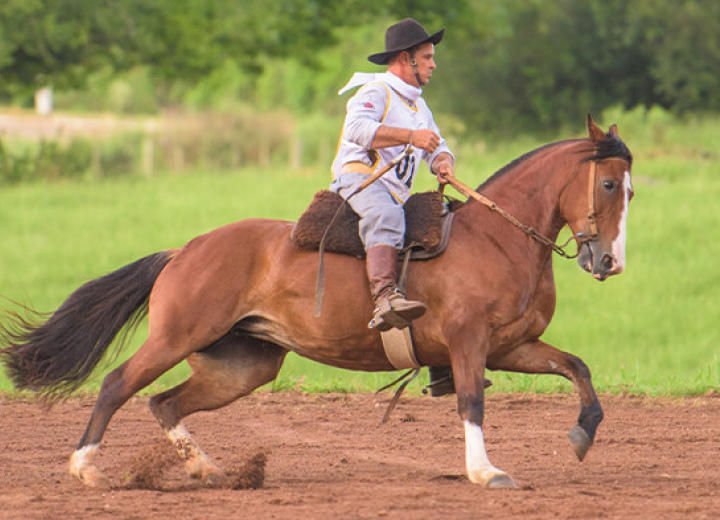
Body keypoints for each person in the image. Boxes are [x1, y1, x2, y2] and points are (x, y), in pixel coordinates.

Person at [330, 18, 456, 333]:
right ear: (404, 59)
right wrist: (411, 138)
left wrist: (441, 160)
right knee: (386, 215)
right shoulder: (376, 91)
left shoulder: (419, 106)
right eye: (427, 58)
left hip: (394, 191)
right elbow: (356, 129)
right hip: (360, 179)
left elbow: (436, 144)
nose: (433, 65)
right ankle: (385, 298)